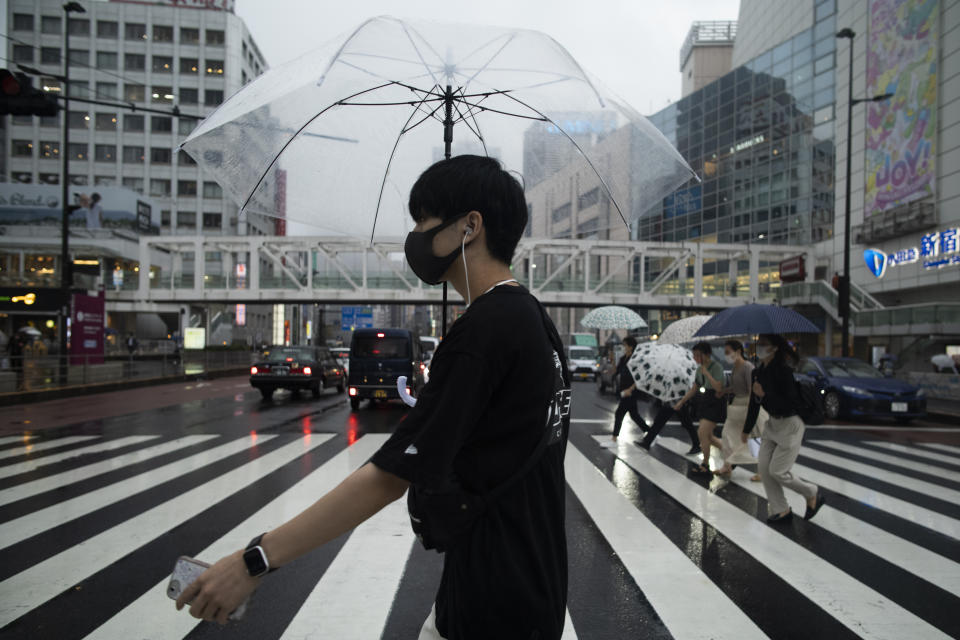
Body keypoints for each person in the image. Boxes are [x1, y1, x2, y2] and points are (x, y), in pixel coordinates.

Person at [175, 155, 571, 640]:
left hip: (490, 607)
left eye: (424, 219)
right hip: (532, 591)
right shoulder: (534, 320)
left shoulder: (485, 330)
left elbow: (389, 478)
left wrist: (254, 560)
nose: (418, 235)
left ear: (470, 226)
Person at [742, 334, 825, 523]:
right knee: (764, 468)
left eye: (764, 345)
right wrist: (746, 429)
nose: (760, 348)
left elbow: (790, 403)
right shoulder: (758, 372)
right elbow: (754, 404)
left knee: (778, 471)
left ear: (775, 348)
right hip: (772, 424)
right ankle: (781, 509)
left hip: (790, 424)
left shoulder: (784, 371)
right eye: (759, 344)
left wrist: (764, 394)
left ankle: (812, 493)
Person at [713, 340, 764, 480]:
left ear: (738, 351)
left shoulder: (748, 367)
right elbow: (736, 388)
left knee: (754, 438)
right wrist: (724, 391)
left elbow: (751, 389)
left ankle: (761, 471)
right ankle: (727, 465)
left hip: (748, 405)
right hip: (736, 406)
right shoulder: (736, 367)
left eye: (728, 352)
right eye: (726, 353)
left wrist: (750, 408)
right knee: (726, 434)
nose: (726, 355)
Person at [677, 341, 726, 474]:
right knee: (708, 436)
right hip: (704, 401)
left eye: (698, 355)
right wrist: (682, 401)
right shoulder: (699, 369)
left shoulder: (716, 367)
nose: (696, 358)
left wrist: (707, 374)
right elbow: (694, 388)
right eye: (694, 355)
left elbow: (718, 387)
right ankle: (731, 456)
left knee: (702, 433)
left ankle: (705, 464)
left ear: (707, 354)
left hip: (715, 401)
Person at [602, 335, 648, 447]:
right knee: (634, 415)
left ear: (631, 347)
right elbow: (616, 372)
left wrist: (630, 389)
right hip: (623, 389)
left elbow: (639, 377)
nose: (623, 347)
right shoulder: (623, 358)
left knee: (619, 413)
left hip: (631, 391)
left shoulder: (635, 360)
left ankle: (614, 439)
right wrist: (612, 360)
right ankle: (652, 433)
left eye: (625, 345)